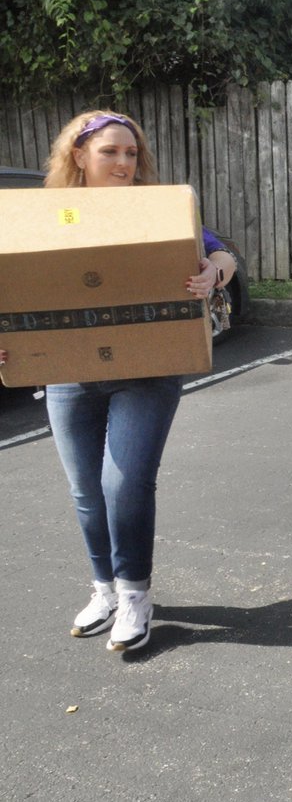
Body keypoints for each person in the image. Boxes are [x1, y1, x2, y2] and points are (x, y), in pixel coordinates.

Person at [0, 109, 235, 652]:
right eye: (111, 152)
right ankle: (103, 589)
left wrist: (213, 271)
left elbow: (221, 252)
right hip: (68, 373)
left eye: (131, 153)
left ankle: (134, 594)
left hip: (148, 371)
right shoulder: (40, 215)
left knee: (123, 484)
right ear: (79, 156)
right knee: (85, 490)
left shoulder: (155, 212)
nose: (124, 163)